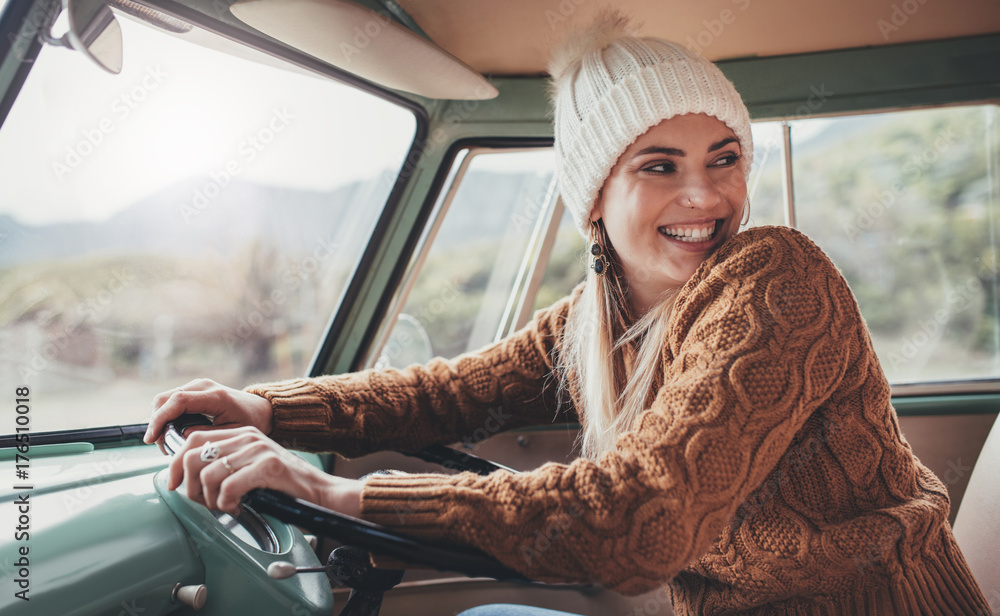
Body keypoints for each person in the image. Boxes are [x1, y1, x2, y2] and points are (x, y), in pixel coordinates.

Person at [144, 13, 991, 616]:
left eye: (723, 158)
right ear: (594, 202)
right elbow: (450, 393)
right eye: (659, 166)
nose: (705, 195)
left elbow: (645, 518)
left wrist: (339, 493)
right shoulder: (600, 318)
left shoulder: (777, 279)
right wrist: (270, 408)